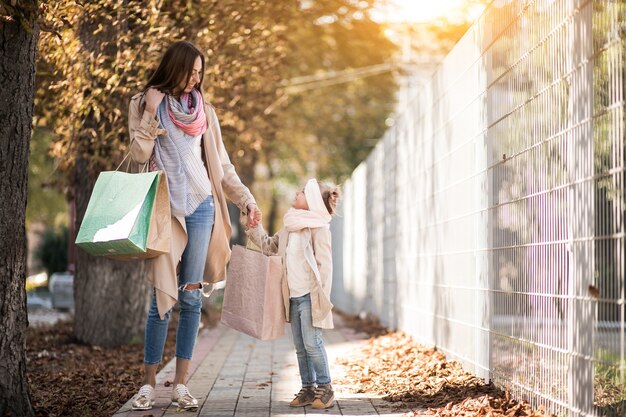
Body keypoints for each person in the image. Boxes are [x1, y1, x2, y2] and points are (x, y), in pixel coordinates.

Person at [127, 40, 261, 411]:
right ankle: (148, 385)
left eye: (201, 73)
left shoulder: (205, 112)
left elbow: (222, 166)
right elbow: (138, 155)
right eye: (191, 71)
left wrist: (246, 200)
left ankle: (181, 384)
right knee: (161, 299)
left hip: (202, 208)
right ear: (175, 68)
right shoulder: (144, 103)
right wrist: (152, 114)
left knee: (190, 296)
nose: (196, 79)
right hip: (166, 210)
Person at [245, 178, 340, 409]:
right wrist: (254, 226)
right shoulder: (290, 226)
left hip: (310, 296)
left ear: (313, 202)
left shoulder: (319, 229)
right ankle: (308, 388)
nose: (296, 193)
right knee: (300, 346)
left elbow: (325, 267)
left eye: (302, 192)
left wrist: (321, 300)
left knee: (312, 343)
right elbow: (269, 245)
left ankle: (325, 387)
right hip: (293, 296)